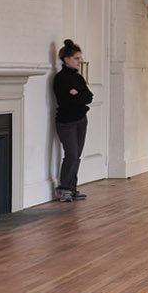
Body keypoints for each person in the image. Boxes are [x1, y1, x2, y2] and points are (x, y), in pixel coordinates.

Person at [52, 39, 91, 202]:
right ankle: (64, 189)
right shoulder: (60, 79)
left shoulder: (78, 78)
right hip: (66, 122)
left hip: (81, 119)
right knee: (72, 154)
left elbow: (89, 97)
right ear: (66, 59)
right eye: (76, 58)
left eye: (80, 58)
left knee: (77, 155)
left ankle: (72, 188)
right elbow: (65, 100)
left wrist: (77, 94)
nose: (79, 61)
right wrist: (77, 96)